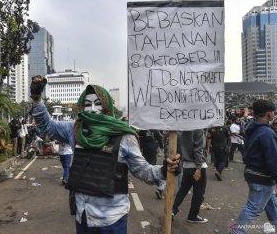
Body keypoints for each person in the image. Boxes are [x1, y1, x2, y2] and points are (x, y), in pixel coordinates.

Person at [29, 76, 180, 234]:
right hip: (83, 216)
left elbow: (141, 170)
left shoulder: (124, 136)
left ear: (106, 107)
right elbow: (47, 126)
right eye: (88, 104)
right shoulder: (74, 130)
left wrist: (164, 170)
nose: (92, 109)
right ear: (81, 107)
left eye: (97, 104)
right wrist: (37, 98)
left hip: (112, 220)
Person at [231, 100, 277, 234]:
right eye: (273, 113)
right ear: (269, 114)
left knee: (273, 210)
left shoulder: (252, 129)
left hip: (254, 174)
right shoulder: (267, 133)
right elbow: (273, 159)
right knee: (252, 209)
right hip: (262, 178)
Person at [172, 129, 208, 224]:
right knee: (198, 194)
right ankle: (193, 216)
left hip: (187, 165)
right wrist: (198, 168)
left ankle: (172, 210)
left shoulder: (184, 129)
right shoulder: (198, 129)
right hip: (197, 166)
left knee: (183, 189)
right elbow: (198, 149)